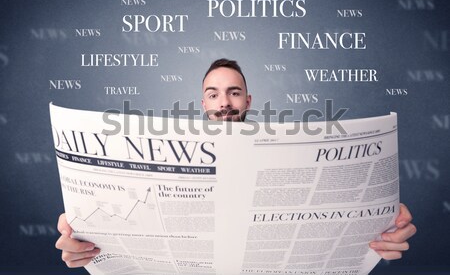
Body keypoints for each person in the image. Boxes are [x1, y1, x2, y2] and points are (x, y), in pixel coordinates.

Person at [55, 58, 417, 267]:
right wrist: (80, 229)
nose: (224, 101)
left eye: (234, 92)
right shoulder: (164, 161)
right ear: (203, 104)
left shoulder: (289, 153)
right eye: (214, 93)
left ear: (247, 101)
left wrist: (383, 223)